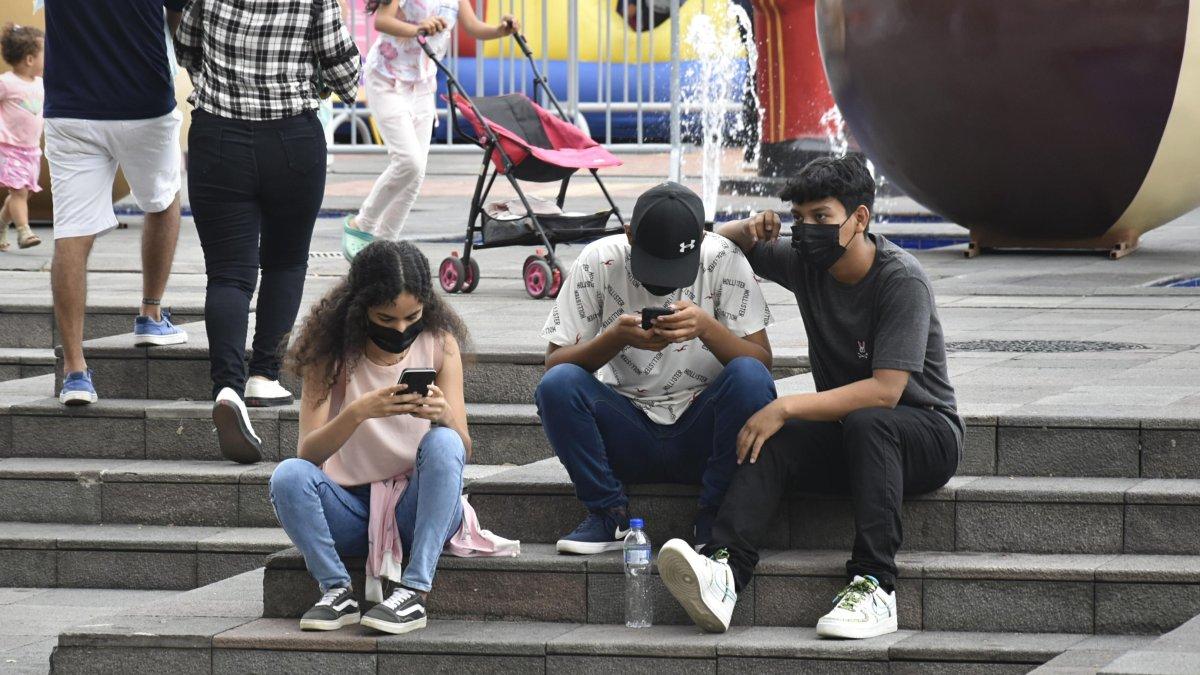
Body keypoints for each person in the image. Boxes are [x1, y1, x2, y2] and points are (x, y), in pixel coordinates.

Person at [657, 156, 961, 639]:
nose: (807, 229)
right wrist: (753, 225)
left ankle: (876, 586)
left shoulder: (900, 279)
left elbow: (886, 393)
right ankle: (724, 571)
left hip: (924, 434)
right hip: (854, 437)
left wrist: (785, 404)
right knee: (774, 437)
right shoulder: (806, 263)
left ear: (859, 218)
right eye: (799, 218)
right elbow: (718, 241)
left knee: (855, 420)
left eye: (822, 217)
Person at [270, 240, 518, 635]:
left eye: (412, 318)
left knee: (445, 442)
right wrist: (357, 413)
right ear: (361, 308)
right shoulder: (330, 352)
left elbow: (462, 451)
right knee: (287, 476)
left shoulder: (440, 343)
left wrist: (445, 417)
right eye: (386, 320)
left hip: (419, 510)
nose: (401, 329)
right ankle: (336, 590)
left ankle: (414, 592)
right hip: (350, 508)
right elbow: (308, 453)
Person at [536, 182, 777, 555]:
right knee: (558, 384)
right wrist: (613, 338)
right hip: (626, 429)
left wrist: (708, 329)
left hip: (703, 434)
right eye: (652, 267)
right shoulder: (599, 259)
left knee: (749, 378)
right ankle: (608, 515)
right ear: (629, 234)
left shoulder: (723, 257)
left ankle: (714, 516)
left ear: (700, 240)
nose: (662, 282)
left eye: (675, 271)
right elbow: (553, 364)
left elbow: (761, 363)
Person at [173, 0, 361, 462]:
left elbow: (186, 51)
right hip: (292, 140)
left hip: (217, 137)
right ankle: (264, 374)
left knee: (228, 275)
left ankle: (227, 388)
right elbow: (346, 76)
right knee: (286, 260)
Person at [44, 0, 190, 406]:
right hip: (144, 100)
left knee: (71, 233)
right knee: (162, 202)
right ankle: (151, 314)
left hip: (70, 108)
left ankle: (75, 371)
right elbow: (178, 20)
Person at [341, 0, 519, 258]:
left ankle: (386, 246)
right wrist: (418, 28)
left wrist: (500, 30)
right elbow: (382, 21)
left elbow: (473, 27)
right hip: (387, 80)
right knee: (408, 162)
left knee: (417, 174)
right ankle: (363, 223)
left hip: (422, 87)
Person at [0, 23, 44, 253]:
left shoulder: (41, 84)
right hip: (9, 148)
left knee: (21, 194)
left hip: (31, 149)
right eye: (43, 54)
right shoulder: (6, 83)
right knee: (17, 192)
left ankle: (1, 223)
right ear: (29, 59)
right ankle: (24, 232)